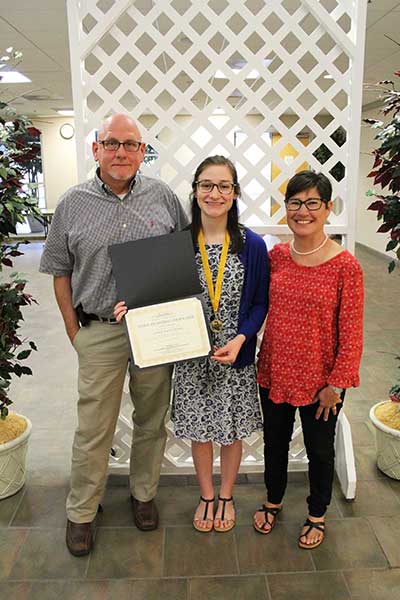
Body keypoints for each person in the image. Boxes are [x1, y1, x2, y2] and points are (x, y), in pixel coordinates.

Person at [39, 113, 188, 556]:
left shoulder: (163, 197)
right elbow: (59, 271)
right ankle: (82, 511)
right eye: (111, 143)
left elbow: (179, 259)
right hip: (99, 331)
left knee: (150, 419)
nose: (120, 152)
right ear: (96, 149)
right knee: (93, 427)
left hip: (153, 332)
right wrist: (73, 330)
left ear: (143, 151)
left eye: (130, 144)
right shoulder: (72, 203)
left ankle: (143, 495)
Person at [115, 155, 269, 532]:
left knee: (231, 432)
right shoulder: (177, 244)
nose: (214, 193)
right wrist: (131, 308)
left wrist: (241, 338)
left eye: (223, 186)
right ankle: (206, 495)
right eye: (206, 185)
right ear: (195, 191)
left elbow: (261, 301)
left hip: (234, 354)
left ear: (234, 193)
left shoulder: (252, 245)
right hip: (189, 355)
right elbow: (157, 295)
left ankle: (227, 495)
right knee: (200, 431)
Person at [253, 170, 363, 549]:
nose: (303, 211)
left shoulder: (346, 266)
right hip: (275, 370)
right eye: (295, 203)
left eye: (312, 203)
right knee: (275, 442)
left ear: (327, 208)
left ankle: (317, 513)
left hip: (322, 381)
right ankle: (273, 499)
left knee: (319, 449)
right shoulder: (277, 257)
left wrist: (337, 383)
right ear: (286, 209)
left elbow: (352, 332)